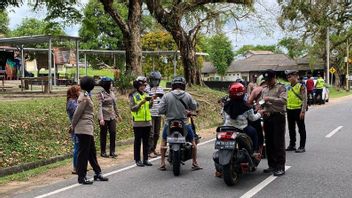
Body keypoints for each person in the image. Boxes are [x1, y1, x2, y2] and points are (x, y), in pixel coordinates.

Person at [158, 76, 202, 171]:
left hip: (169, 123)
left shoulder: (166, 96)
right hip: (185, 124)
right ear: (183, 85)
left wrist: (167, 112)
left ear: (173, 85)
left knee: (164, 141)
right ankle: (194, 163)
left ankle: (162, 163)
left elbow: (160, 110)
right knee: (193, 143)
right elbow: (194, 107)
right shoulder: (188, 95)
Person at [72, 76, 108, 184]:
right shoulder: (84, 97)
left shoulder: (87, 95)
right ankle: (81, 177)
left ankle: (97, 172)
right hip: (83, 129)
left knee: (92, 152)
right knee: (83, 154)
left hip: (88, 128)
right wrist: (72, 126)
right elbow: (77, 114)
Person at [259, 69, 287, 176]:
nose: (268, 82)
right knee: (269, 142)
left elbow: (284, 101)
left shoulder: (280, 87)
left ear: (274, 78)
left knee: (278, 143)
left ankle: (280, 167)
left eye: (270, 79)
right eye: (266, 80)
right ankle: (272, 165)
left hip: (278, 116)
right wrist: (260, 106)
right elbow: (261, 101)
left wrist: (269, 98)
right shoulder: (264, 89)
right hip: (267, 116)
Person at [223, 82, 262, 157]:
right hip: (241, 129)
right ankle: (253, 151)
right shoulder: (247, 106)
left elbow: (224, 117)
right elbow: (252, 118)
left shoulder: (226, 105)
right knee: (253, 132)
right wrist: (260, 113)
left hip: (226, 129)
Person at [129, 76, 153, 167]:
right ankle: (137, 159)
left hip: (147, 121)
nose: (143, 87)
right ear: (138, 85)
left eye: (144, 85)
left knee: (146, 141)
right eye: (142, 85)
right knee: (138, 141)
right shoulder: (133, 95)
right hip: (138, 123)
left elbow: (149, 107)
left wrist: (151, 101)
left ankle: (146, 159)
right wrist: (141, 103)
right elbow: (132, 108)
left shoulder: (146, 94)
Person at [97, 77, 122, 158]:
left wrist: (118, 115)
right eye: (110, 83)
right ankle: (103, 152)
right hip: (104, 117)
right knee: (103, 134)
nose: (111, 85)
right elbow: (99, 107)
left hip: (112, 116)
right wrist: (101, 118)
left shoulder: (112, 93)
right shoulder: (100, 94)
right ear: (107, 85)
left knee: (113, 133)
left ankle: (112, 151)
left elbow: (115, 105)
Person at [285, 70, 307, 153]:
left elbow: (305, 99)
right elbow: (287, 98)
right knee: (291, 129)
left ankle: (302, 146)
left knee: (301, 128)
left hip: (298, 110)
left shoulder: (301, 86)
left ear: (295, 76)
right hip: (289, 109)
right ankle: (292, 145)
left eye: (290, 76)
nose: (289, 78)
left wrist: (303, 111)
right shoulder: (288, 87)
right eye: (288, 77)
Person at [145, 71, 164, 158]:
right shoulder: (147, 89)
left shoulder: (160, 89)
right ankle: (149, 151)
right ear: (150, 80)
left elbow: (163, 100)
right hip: (150, 113)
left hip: (158, 113)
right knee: (151, 133)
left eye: (157, 80)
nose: (155, 82)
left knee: (157, 133)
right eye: (153, 80)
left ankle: (154, 149)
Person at [247, 75, 267, 154]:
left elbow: (249, 102)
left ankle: (258, 150)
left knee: (257, 132)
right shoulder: (272, 89)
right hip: (272, 114)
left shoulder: (256, 89)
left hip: (259, 114)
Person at [66, 85, 80, 174]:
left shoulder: (74, 101)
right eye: (79, 91)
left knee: (79, 146)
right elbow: (78, 112)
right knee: (77, 147)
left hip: (79, 126)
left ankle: (79, 165)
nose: (80, 92)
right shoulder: (71, 102)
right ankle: (75, 167)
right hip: (75, 127)